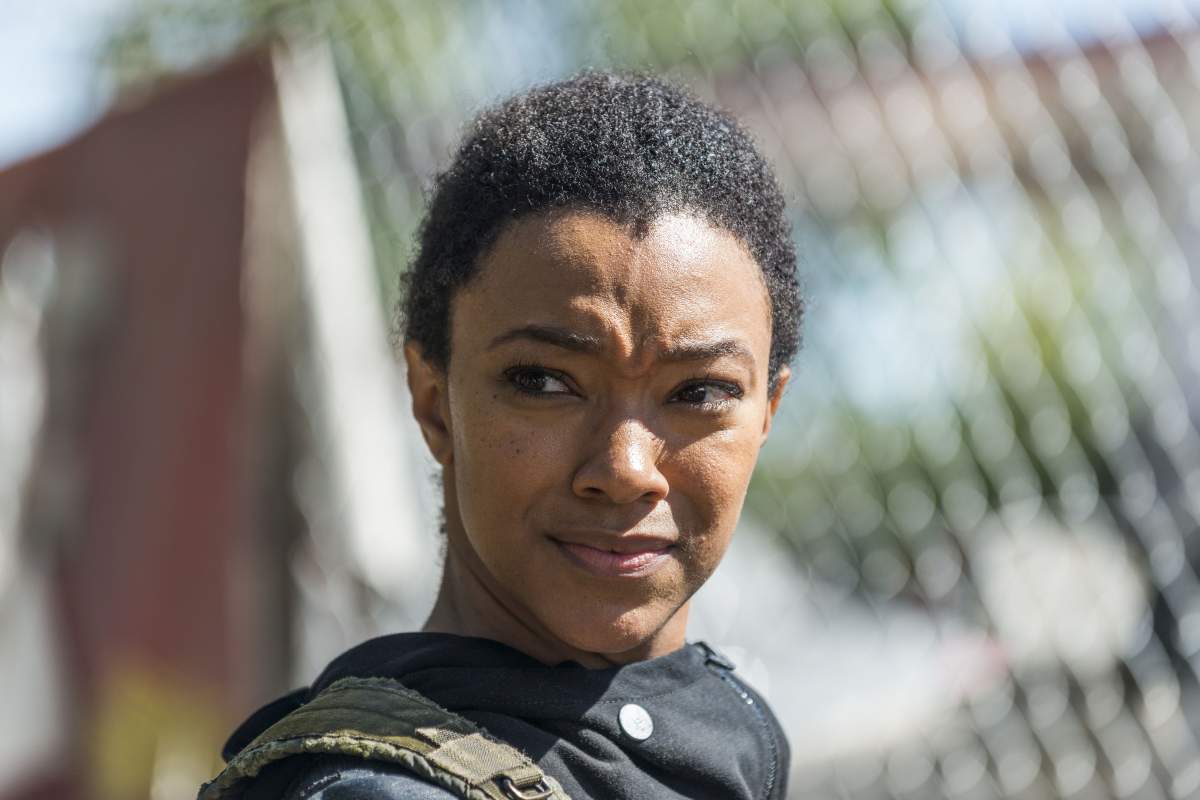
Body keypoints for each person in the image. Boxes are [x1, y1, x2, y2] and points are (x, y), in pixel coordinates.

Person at [200, 70, 802, 800]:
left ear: (767, 412)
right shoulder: (382, 789)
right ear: (435, 405)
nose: (625, 468)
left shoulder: (735, 734)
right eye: (543, 382)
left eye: (699, 392)